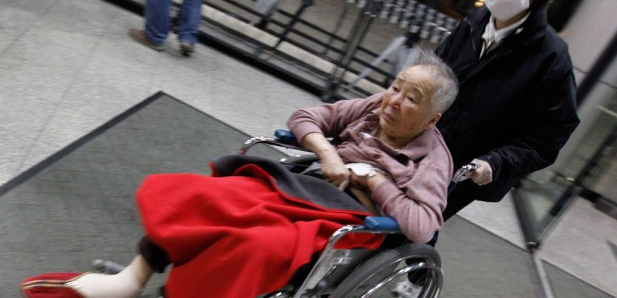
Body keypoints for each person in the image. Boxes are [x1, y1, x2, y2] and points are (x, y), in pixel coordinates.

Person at [21, 49, 459, 297]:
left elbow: (422, 226)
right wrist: (327, 151)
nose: (393, 99)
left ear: (431, 118)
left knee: (254, 243)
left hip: (348, 217)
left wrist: (373, 178)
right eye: (396, 85)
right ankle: (130, 280)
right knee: (205, 194)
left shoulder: (434, 160)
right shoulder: (371, 106)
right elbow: (307, 115)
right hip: (309, 182)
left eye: (411, 97)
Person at [392, 0, 580, 296]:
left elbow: (551, 134)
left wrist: (496, 162)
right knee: (393, 204)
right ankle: (404, 268)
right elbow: (437, 73)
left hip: (469, 164)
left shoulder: (551, 59)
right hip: (424, 140)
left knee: (420, 217)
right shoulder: (476, 21)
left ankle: (415, 279)